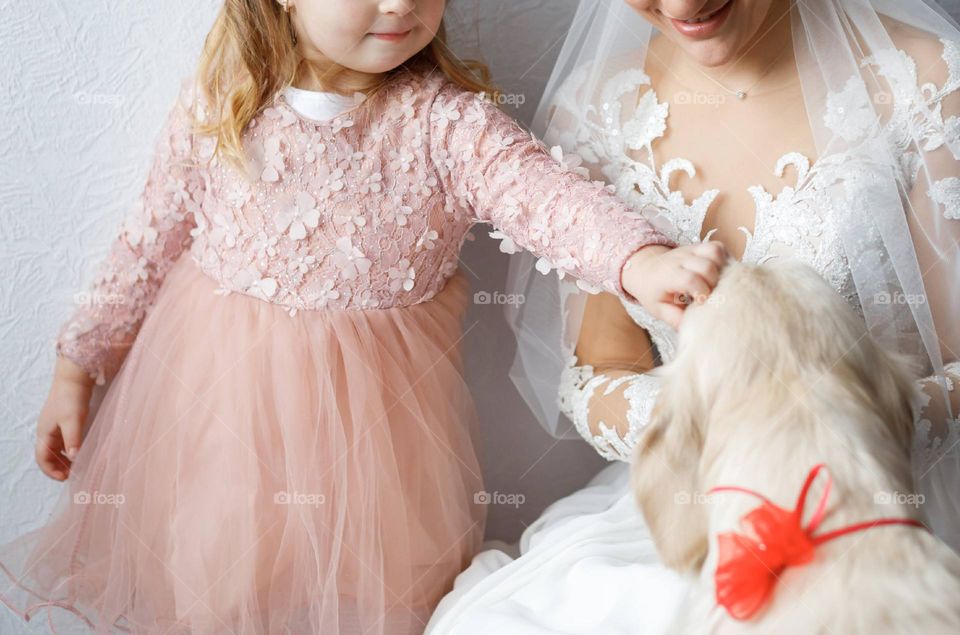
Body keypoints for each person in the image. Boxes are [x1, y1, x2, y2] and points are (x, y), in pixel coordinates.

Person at [0, 1, 729, 633]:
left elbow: (544, 199)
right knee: (218, 583)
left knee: (369, 596)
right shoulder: (222, 105)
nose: (399, 5)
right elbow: (147, 238)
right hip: (220, 429)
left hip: (381, 451)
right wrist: (77, 366)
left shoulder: (445, 126)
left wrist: (638, 261)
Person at [427, 0, 960, 632]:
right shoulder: (602, 107)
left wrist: (828, 435)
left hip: (893, 497)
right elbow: (596, 374)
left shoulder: (921, 79)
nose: (682, 6)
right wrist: (720, 432)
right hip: (694, 504)